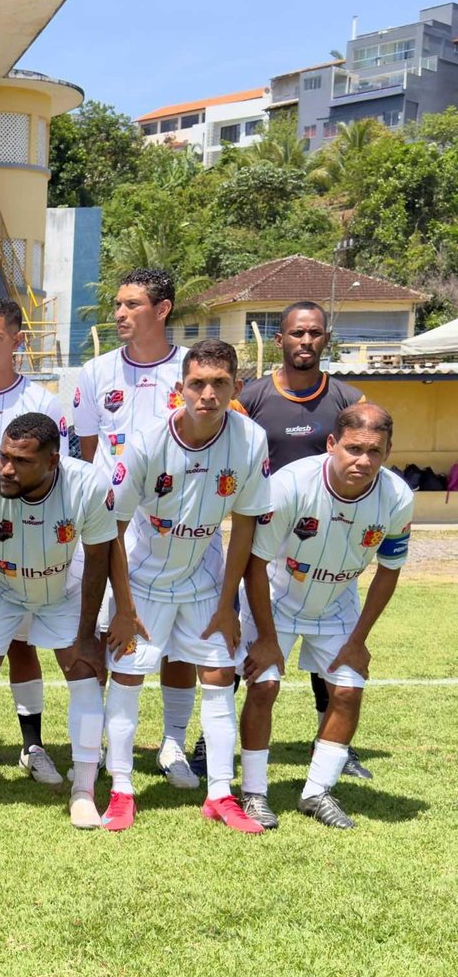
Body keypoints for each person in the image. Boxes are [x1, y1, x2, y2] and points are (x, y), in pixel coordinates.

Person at [99, 339, 272, 834]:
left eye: (220, 384)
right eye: (197, 383)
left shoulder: (251, 439)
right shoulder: (147, 441)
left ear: (236, 387)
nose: (208, 394)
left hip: (203, 578)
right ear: (180, 389)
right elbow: (113, 526)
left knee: (219, 681)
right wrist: (125, 608)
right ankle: (122, 789)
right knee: (129, 678)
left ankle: (220, 793)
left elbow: (243, 525)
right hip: (144, 577)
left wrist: (227, 605)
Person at [237, 404, 413, 830]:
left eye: (375, 451)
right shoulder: (291, 485)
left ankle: (317, 792)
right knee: (264, 687)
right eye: (354, 449)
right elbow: (255, 564)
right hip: (275, 600)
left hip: (337, 605)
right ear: (332, 444)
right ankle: (254, 793)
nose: (364, 461)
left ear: (388, 452)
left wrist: (359, 638)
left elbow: (389, 572)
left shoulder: (397, 498)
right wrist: (264, 637)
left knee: (349, 693)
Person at [0, 412, 114, 827]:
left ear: (52, 462)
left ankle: (83, 792)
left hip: (63, 587)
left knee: (84, 673)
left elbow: (99, 560)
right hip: (2, 589)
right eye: (4, 456)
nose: (7, 468)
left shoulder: (88, 485)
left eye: (21, 461)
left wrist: (85, 634)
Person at [72, 267, 201, 788]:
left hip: (179, 527)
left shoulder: (189, 373)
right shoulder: (96, 372)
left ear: (162, 309)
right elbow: (87, 452)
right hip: (112, 527)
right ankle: (104, 740)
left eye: (132, 305)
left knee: (176, 642)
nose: (120, 314)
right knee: (107, 632)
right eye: (118, 305)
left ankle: (172, 742)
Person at [238, 300, 374, 780]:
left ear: (325, 339)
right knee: (246, 649)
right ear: (280, 340)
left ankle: (332, 741)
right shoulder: (251, 398)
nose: (306, 341)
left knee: (328, 646)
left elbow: (366, 455)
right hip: (264, 542)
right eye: (297, 333)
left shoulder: (348, 400)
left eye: (315, 333)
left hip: (327, 544)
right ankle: (203, 742)